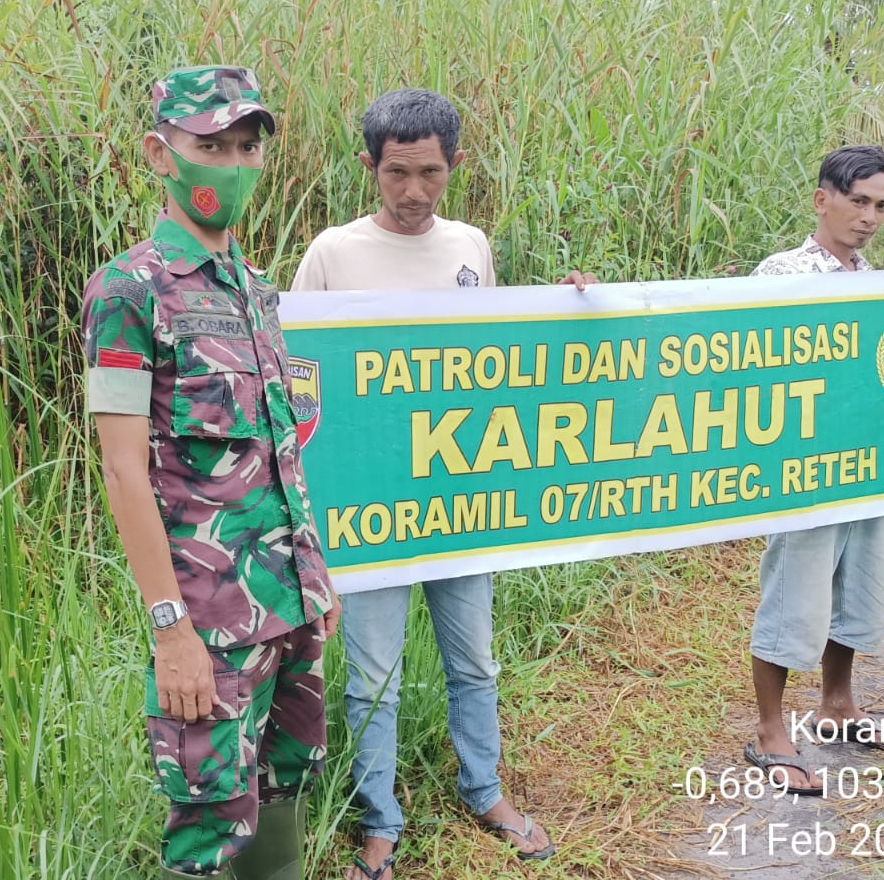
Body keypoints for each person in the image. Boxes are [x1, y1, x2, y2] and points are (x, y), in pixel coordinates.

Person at [291, 88, 593, 880]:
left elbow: (494, 352)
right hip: (371, 506)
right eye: (397, 172)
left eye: (431, 172)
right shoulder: (332, 253)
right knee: (373, 680)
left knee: (475, 664)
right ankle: (378, 821)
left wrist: (572, 309)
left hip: (460, 498)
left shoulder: (470, 245)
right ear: (369, 166)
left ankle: (484, 790)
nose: (414, 191)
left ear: (456, 164)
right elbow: (299, 374)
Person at [81, 64, 341, 880]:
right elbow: (123, 472)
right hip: (209, 623)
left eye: (246, 147)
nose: (231, 165)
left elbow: (279, 450)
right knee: (208, 822)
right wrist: (170, 632)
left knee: (284, 784)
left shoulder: (256, 292)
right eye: (211, 147)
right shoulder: (128, 292)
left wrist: (315, 582)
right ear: (161, 155)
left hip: (289, 605)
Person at [743, 145, 884, 793]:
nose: (869, 217)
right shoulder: (782, 273)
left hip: (864, 461)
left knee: (857, 588)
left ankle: (837, 706)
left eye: (881, 206)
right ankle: (769, 732)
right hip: (804, 463)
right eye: (858, 202)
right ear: (822, 200)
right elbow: (745, 353)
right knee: (795, 591)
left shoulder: (874, 277)